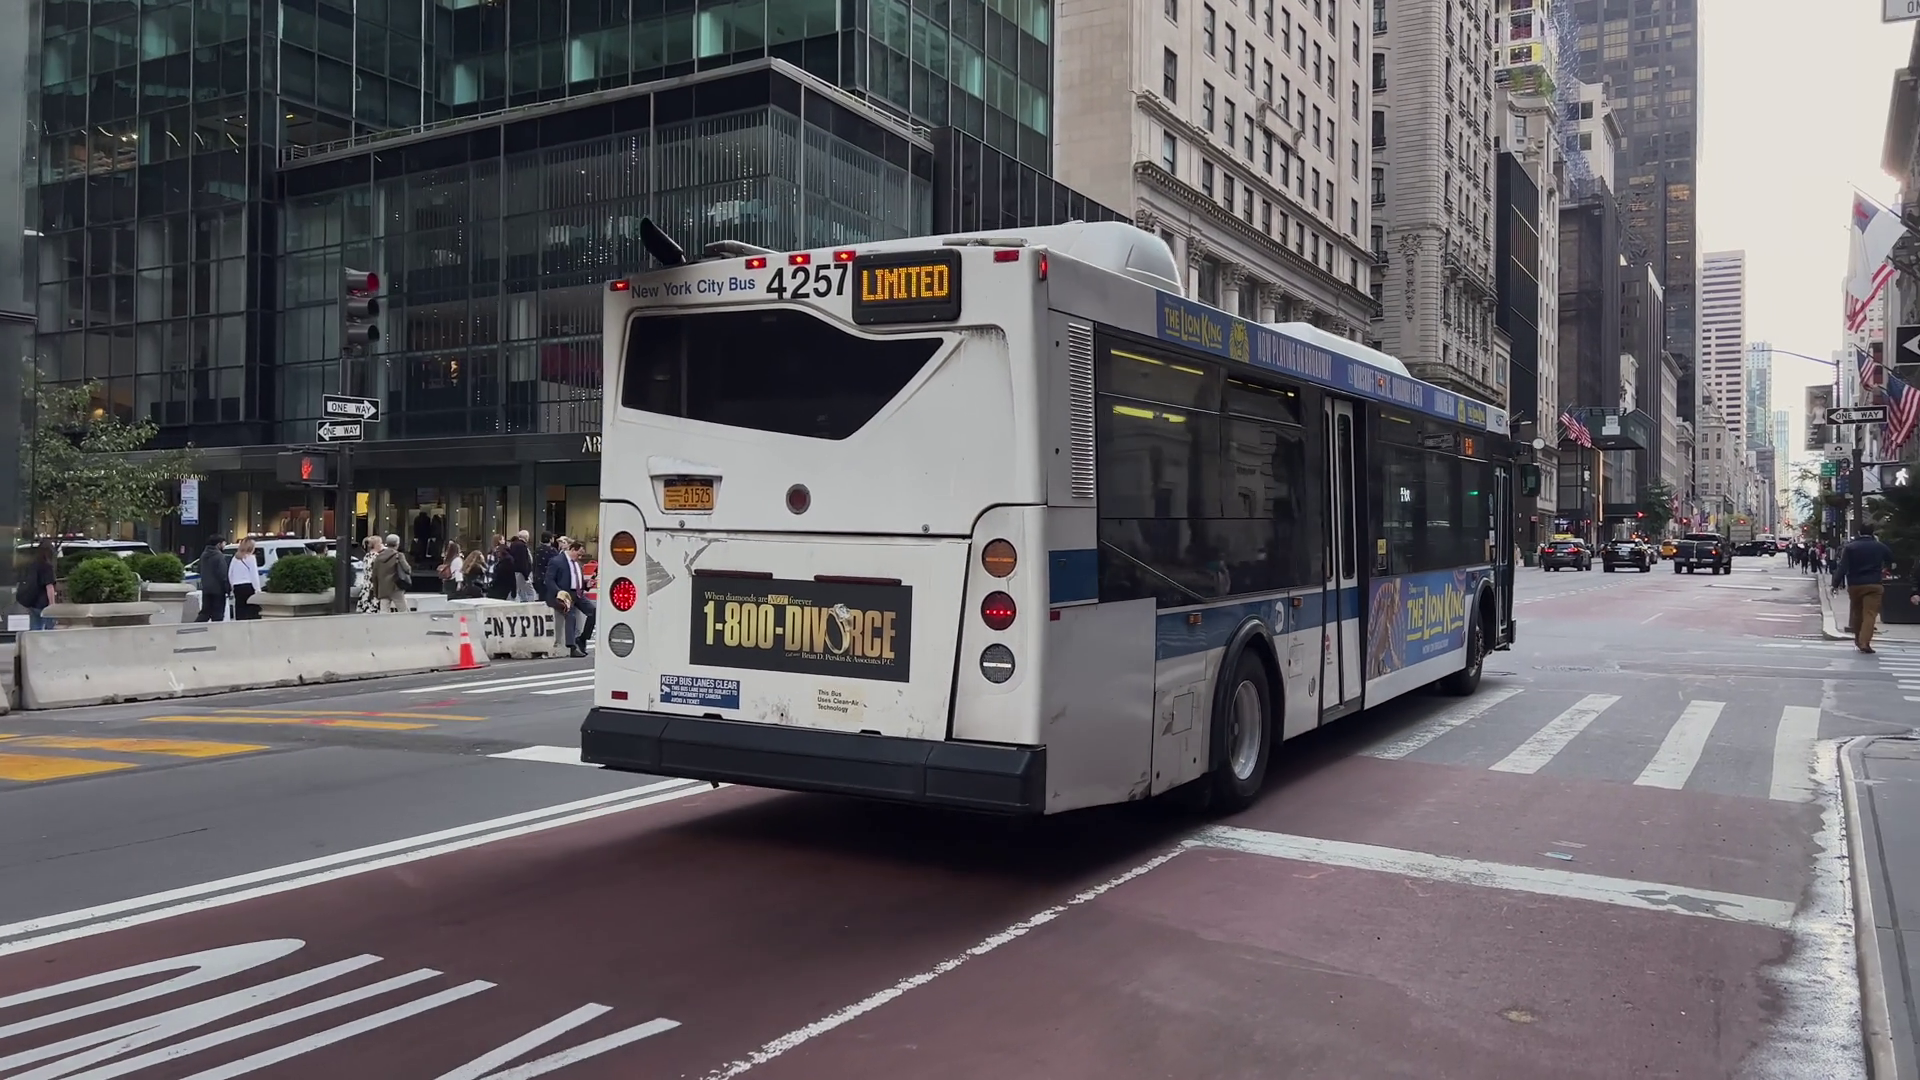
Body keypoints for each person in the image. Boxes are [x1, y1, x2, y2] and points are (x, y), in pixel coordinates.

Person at [1834, 523, 1897, 653]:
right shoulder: (1880, 546)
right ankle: (1865, 642)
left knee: (1857, 613)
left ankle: (1858, 640)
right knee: (1870, 614)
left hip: (1855, 584)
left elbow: (1842, 567)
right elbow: (1891, 559)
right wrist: (1885, 569)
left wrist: (1835, 583)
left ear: (1859, 532)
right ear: (1873, 532)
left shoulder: (1850, 547)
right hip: (1874, 583)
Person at [545, 540, 597, 657]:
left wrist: (586, 585)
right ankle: (571, 646)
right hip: (562, 594)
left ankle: (582, 639)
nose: (579, 557)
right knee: (570, 614)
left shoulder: (577, 564)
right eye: (578, 554)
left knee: (594, 611)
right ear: (572, 549)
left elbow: (576, 580)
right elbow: (549, 580)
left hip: (577, 594)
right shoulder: (557, 561)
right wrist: (559, 592)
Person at [15, 539, 57, 630]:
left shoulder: (32, 565)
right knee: (50, 630)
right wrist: (52, 605)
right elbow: (49, 587)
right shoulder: (47, 567)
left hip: (33, 602)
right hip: (44, 604)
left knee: (35, 628)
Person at [368, 532, 413, 612]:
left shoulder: (378, 557)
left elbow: (374, 575)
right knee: (403, 611)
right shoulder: (399, 555)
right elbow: (407, 569)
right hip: (396, 587)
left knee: (384, 612)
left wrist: (376, 591)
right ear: (397, 544)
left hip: (383, 589)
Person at [195, 537, 230, 622]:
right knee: (218, 614)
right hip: (218, 589)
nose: (224, 545)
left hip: (206, 588)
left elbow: (198, 569)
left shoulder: (203, 555)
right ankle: (216, 630)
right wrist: (227, 588)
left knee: (205, 613)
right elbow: (223, 574)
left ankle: (194, 627)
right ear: (218, 544)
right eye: (223, 543)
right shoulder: (219, 556)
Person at [229, 537, 261, 620]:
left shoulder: (235, 558)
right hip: (248, 586)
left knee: (240, 609)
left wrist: (232, 586)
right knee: (251, 609)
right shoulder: (251, 558)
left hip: (237, 586)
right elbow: (254, 575)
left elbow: (230, 574)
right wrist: (257, 589)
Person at [509, 530, 535, 601]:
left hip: (515, 571)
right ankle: (529, 604)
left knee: (518, 590)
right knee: (530, 591)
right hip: (522, 572)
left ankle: (522, 601)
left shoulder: (513, 544)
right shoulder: (522, 546)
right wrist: (526, 575)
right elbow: (523, 561)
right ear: (526, 537)